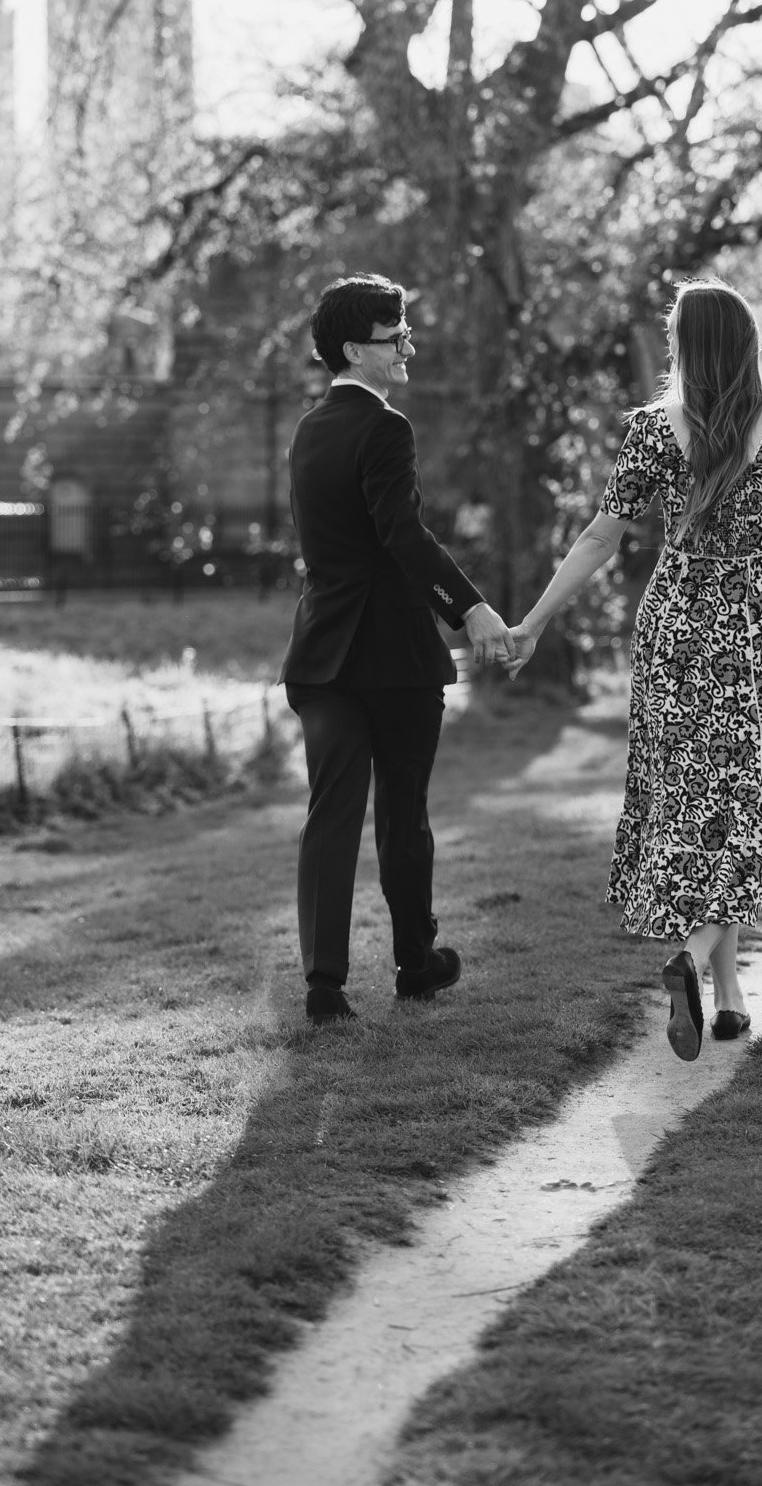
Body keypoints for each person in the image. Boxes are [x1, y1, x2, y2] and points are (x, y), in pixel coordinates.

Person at [506, 279, 762, 1060]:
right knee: (742, 804)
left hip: (674, 625)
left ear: (683, 348)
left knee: (689, 802)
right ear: (749, 345)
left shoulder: (654, 431)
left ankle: (728, 998)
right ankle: (694, 962)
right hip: (750, 626)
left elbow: (599, 538)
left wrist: (533, 621)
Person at [280, 274, 516, 1026]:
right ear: (355, 349)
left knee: (331, 814)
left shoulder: (309, 430)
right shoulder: (386, 427)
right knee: (402, 814)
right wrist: (471, 610)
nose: (408, 344)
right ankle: (416, 965)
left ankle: (324, 985)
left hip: (320, 654)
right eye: (395, 335)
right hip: (391, 655)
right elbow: (401, 535)